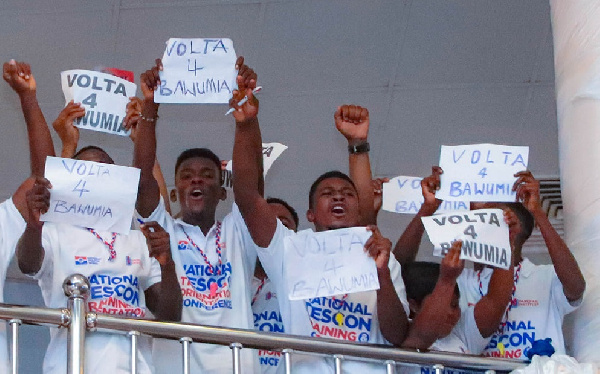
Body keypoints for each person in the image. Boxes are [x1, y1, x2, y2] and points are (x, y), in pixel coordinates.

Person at [231, 70, 410, 373]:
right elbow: (248, 198)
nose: (339, 198)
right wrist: (247, 124)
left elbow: (397, 334)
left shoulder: (379, 255)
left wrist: (380, 275)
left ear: (358, 208)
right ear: (310, 214)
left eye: (347, 194)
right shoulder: (292, 248)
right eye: (328, 194)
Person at [135, 57, 260, 373]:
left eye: (207, 174)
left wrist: (246, 118)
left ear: (221, 192)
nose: (197, 179)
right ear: (174, 193)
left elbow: (252, 186)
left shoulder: (238, 231)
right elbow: (143, 180)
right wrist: (150, 107)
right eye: (187, 175)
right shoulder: (163, 230)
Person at [394, 166, 586, 360]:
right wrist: (427, 210)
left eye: (491, 218)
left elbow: (576, 287)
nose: (478, 221)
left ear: (520, 230)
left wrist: (538, 213)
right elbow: (398, 274)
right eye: (476, 217)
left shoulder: (544, 276)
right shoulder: (456, 278)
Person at [253, 198, 299, 373]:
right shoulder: (232, 277)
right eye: (266, 222)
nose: (273, 230)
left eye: (283, 225)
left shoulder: (306, 280)